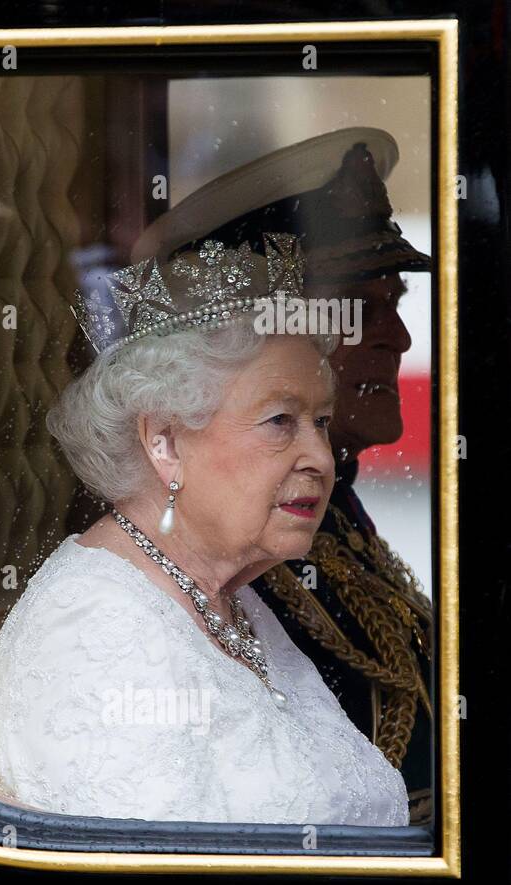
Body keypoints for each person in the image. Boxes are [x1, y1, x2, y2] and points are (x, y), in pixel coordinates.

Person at [0, 229, 409, 825]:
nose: (321, 458)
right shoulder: (96, 635)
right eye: (280, 421)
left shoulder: (231, 601)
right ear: (164, 441)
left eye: (320, 421)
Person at [131, 128, 434, 825]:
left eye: (395, 301)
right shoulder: (228, 538)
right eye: (362, 308)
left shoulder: (335, 506)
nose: (400, 336)